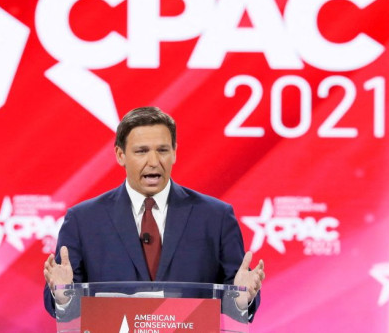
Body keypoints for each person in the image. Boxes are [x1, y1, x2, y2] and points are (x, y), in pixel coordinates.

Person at [43, 106, 264, 321]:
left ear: (174, 152)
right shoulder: (84, 220)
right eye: (141, 151)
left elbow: (235, 301)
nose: (154, 161)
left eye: (162, 150)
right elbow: (67, 310)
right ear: (120, 155)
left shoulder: (216, 217)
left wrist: (241, 299)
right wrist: (63, 296)